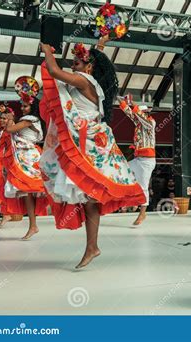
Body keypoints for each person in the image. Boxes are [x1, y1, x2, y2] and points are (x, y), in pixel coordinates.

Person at [39, 42, 146, 268]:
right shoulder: (89, 81)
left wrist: (48, 51)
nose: (74, 63)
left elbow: (55, 72)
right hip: (88, 140)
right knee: (89, 197)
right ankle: (92, 247)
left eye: (78, 61)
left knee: (90, 195)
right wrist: (99, 45)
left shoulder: (85, 81)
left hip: (88, 143)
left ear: (89, 67)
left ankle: (92, 246)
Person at [4, 77, 49, 240]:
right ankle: (33, 226)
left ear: (32, 106)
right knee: (29, 193)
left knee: (35, 189)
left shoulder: (30, 119)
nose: (22, 108)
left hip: (29, 158)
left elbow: (10, 130)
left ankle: (34, 225)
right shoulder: (29, 119)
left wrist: (9, 117)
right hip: (25, 156)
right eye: (22, 105)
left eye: (25, 106)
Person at [118, 96, 157, 226]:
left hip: (146, 162)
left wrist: (132, 103)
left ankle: (142, 213)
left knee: (144, 186)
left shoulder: (150, 123)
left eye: (141, 113)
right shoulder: (139, 123)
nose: (138, 116)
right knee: (122, 170)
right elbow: (131, 114)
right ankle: (131, 201)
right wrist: (122, 103)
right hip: (139, 159)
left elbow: (137, 114)